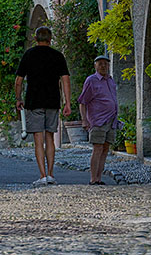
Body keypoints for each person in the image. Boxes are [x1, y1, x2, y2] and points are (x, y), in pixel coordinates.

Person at [15, 26, 71, 186]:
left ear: (36, 39)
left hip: (34, 101)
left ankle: (42, 175)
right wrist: (67, 102)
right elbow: (65, 79)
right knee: (50, 138)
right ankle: (51, 174)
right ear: (50, 39)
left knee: (38, 140)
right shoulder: (57, 56)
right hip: (53, 101)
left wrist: (18, 98)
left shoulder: (29, 55)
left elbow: (18, 80)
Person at [78, 55, 119, 185]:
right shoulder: (91, 80)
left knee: (105, 149)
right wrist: (84, 120)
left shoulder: (110, 80)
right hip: (98, 120)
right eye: (100, 63)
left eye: (105, 64)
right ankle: (93, 179)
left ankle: (99, 178)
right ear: (95, 66)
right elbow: (82, 101)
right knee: (97, 148)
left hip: (111, 120)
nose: (103, 66)